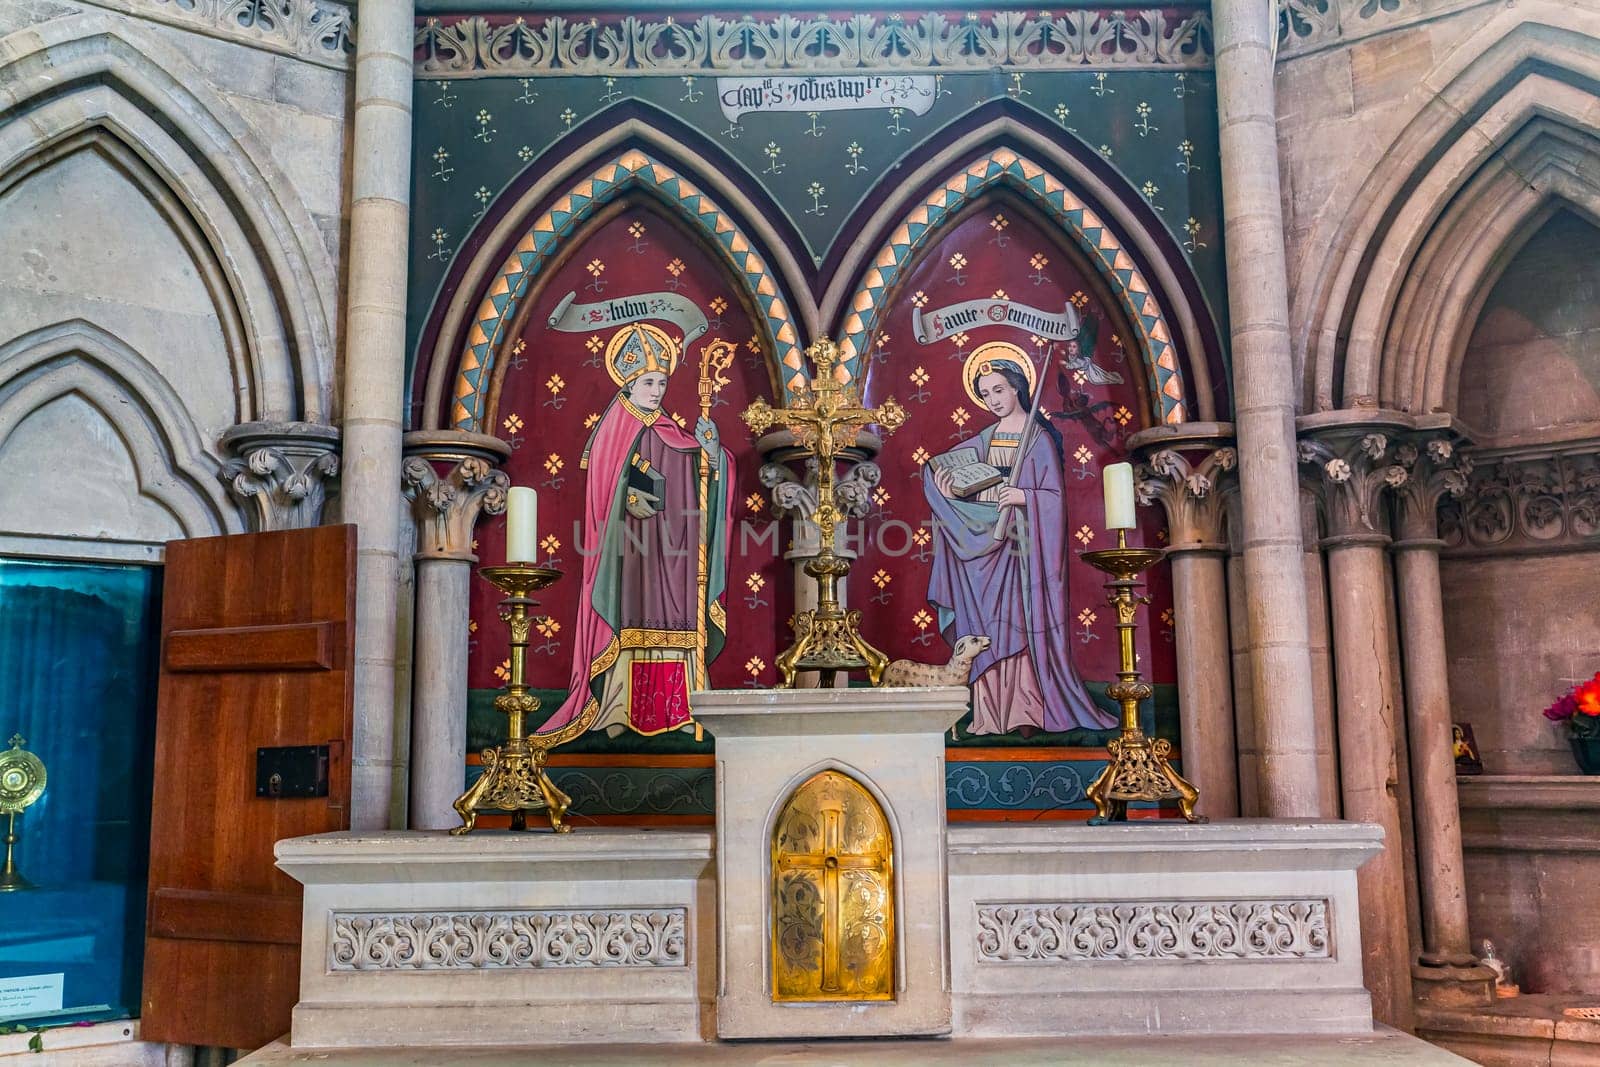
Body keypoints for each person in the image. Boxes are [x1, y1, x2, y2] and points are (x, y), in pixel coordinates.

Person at [536, 322, 732, 738]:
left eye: (662, 381)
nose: (657, 390)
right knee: (633, 623)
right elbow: (603, 494)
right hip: (630, 553)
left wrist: (712, 453)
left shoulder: (668, 428)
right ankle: (618, 709)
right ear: (628, 383)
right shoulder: (614, 429)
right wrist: (625, 500)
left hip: (675, 552)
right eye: (648, 381)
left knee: (678, 622)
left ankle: (682, 712)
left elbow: (700, 474)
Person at [923, 341, 1113, 736]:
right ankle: (990, 715)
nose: (992, 399)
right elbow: (956, 472)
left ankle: (1027, 710)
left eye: (998, 390)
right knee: (985, 627)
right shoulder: (986, 437)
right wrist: (948, 486)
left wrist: (1023, 496)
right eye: (985, 393)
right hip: (982, 550)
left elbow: (1054, 500)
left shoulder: (1038, 439)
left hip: (1021, 553)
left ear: (1016, 389)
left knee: (1017, 626)